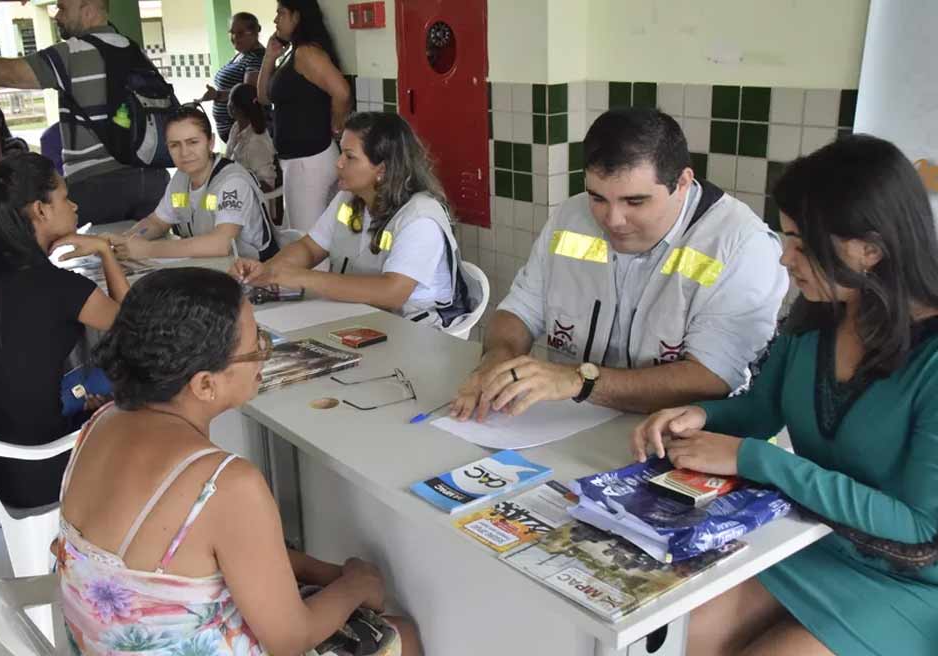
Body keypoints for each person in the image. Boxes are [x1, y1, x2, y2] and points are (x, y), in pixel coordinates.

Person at [632, 135, 938, 656]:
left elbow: (921, 534)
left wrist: (755, 458)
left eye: (801, 242)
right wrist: (699, 416)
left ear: (870, 249)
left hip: (907, 581)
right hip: (810, 542)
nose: (784, 258)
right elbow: (761, 409)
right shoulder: (816, 316)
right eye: (785, 236)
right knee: (676, 635)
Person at [57, 267, 421, 655]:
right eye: (256, 347)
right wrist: (357, 584)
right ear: (205, 384)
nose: (264, 354)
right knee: (400, 634)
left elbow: (222, 556)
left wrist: (331, 573)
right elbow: (289, 638)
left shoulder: (102, 422)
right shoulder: (222, 483)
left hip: (99, 643)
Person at [451, 107, 787, 421]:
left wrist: (581, 381)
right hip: (574, 423)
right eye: (597, 197)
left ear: (682, 183)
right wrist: (497, 357)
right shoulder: (572, 215)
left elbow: (710, 378)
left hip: (683, 439)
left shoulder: (740, 245)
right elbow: (520, 311)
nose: (613, 219)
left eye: (635, 201)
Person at [0, 0, 169, 226]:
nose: (57, 16)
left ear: (88, 9)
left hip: (98, 186)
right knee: (145, 257)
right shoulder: (132, 49)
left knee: (37, 239)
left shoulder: (74, 52)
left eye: (63, 8)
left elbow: (8, 73)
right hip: (153, 179)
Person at [0, 152, 128, 509]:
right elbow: (137, 325)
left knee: (103, 385)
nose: (75, 206)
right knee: (148, 396)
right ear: (40, 209)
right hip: (39, 469)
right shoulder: (59, 287)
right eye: (65, 198)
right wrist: (104, 251)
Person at [233, 112, 472, 328]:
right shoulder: (349, 199)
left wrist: (303, 277)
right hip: (365, 318)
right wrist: (267, 271)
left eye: (350, 157)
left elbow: (393, 292)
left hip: (419, 332)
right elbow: (310, 247)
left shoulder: (420, 217)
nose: (339, 163)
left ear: (382, 169)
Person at [111, 105, 278, 261]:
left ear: (210, 143)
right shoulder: (181, 179)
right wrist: (126, 240)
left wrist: (147, 250)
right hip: (210, 268)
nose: (184, 153)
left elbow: (220, 244)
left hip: (254, 273)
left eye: (193, 142)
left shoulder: (232, 182)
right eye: (175, 145)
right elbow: (158, 221)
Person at [257, 0, 351, 232]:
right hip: (300, 161)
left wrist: (337, 125)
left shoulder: (307, 53)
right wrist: (269, 58)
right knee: (304, 236)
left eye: (281, 13)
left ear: (297, 17)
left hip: (310, 161)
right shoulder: (294, 53)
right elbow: (263, 97)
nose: (276, 20)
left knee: (307, 238)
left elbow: (342, 92)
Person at [199, 12, 267, 144]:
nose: (234, 37)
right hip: (235, 132)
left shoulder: (257, 57)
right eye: (232, 32)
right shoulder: (241, 55)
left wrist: (217, 95)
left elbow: (249, 94)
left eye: (240, 33)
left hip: (246, 132)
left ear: (254, 32)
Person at [226, 82, 278, 190]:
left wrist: (240, 181)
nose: (227, 104)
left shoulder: (256, 142)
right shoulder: (236, 127)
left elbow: (268, 185)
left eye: (230, 101)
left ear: (236, 109)